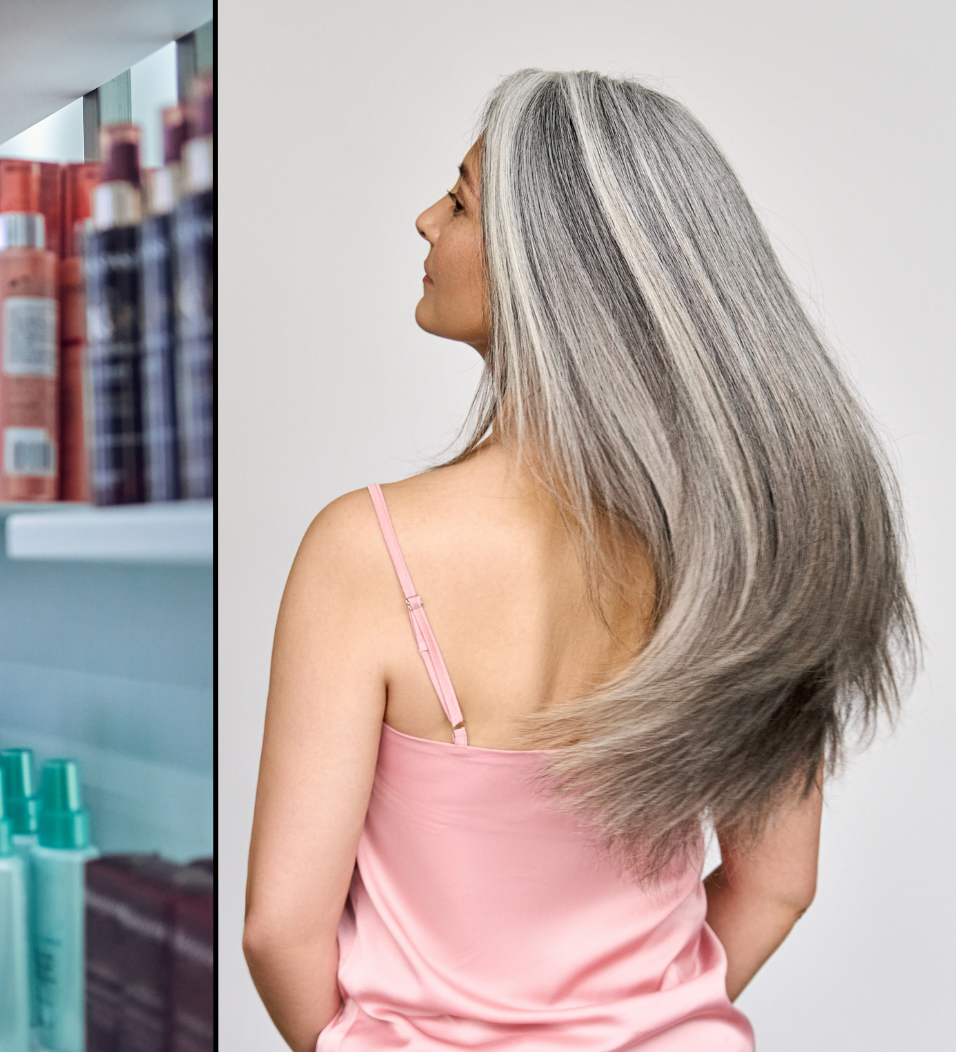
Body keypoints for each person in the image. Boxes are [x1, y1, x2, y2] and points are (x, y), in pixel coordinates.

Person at [243, 69, 916, 1052]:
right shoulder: (753, 548)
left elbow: (279, 929)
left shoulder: (365, 549)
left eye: (461, 201)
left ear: (549, 262)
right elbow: (778, 885)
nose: (425, 220)